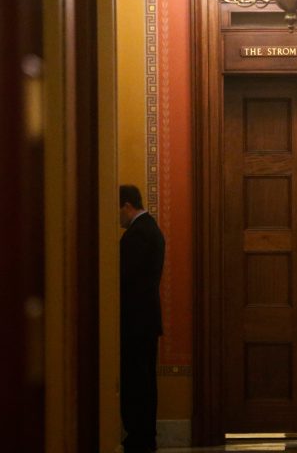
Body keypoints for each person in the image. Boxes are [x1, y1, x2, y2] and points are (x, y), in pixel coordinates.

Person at [119, 185, 166, 453]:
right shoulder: (150, 229)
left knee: (136, 381)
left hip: (136, 320)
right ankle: (143, 433)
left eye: (119, 211)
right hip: (146, 319)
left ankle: (140, 435)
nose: (118, 219)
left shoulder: (139, 234)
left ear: (127, 206)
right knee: (144, 380)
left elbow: (126, 278)